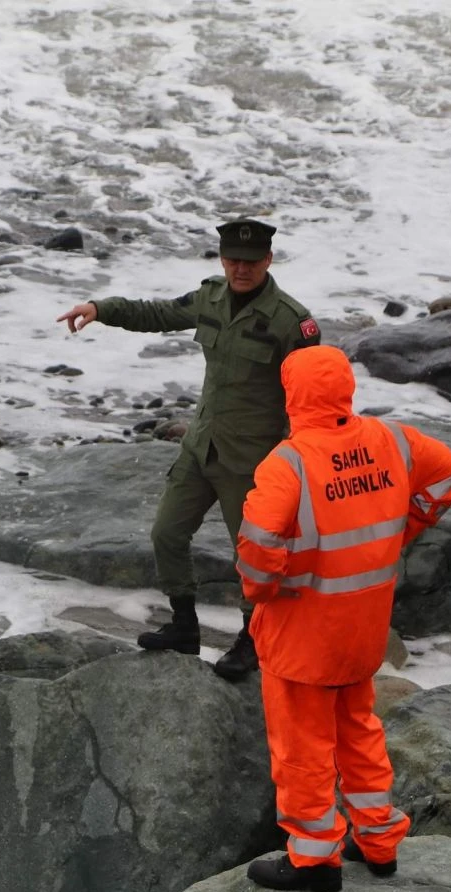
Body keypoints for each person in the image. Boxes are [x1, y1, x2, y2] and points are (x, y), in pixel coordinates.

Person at [234, 344, 451, 892]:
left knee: (303, 748)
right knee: (358, 730)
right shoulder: (393, 441)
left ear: (292, 395)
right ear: (345, 390)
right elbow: (448, 477)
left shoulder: (288, 462)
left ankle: (314, 860)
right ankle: (378, 841)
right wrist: (402, 532)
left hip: (303, 634)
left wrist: (266, 589)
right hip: (364, 628)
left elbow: (259, 543)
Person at [56, 218, 322, 681]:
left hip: (256, 463)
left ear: (268, 260)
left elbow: (312, 396)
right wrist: (101, 307)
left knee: (253, 557)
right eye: (232, 260)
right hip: (201, 448)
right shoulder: (210, 297)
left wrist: (302, 461)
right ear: (222, 259)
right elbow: (156, 314)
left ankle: (252, 639)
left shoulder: (291, 323)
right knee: (166, 534)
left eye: (250, 262)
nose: (240, 269)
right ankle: (183, 625)